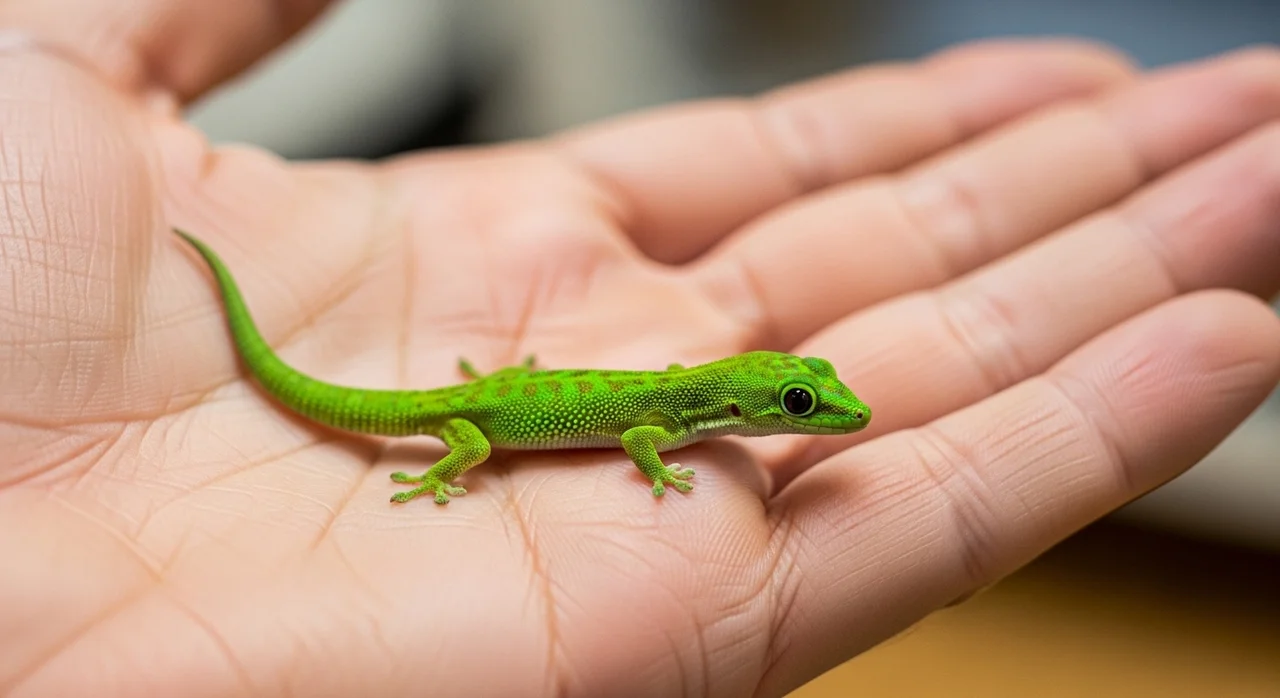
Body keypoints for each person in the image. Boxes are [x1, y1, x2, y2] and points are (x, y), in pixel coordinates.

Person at [2, 3, 1279, 697]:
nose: (823, 412)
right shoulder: (673, 419)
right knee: (454, 438)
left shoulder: (696, 405)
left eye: (804, 400)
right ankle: (443, 454)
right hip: (480, 418)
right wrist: (464, 456)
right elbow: (649, 432)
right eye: (798, 399)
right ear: (744, 398)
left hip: (498, 393)